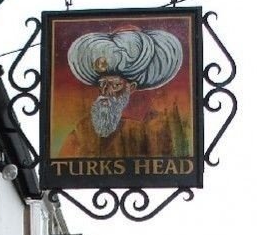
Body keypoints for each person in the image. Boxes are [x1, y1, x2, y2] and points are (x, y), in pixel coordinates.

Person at [59, 27, 186, 158]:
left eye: (115, 85)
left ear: (131, 88)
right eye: (103, 84)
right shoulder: (82, 130)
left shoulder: (151, 128)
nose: (106, 92)